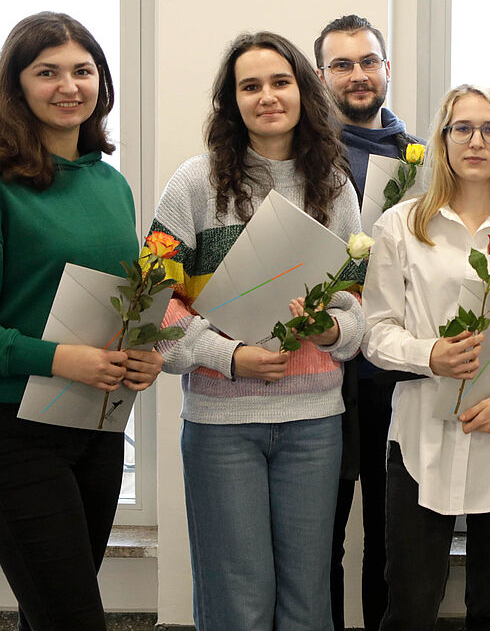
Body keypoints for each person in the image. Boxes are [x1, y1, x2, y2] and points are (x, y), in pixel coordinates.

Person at [0, 11, 163, 630]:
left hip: (94, 426)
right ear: (16, 86)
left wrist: (140, 353)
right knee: (74, 618)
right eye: (46, 72)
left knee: (50, 611)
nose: (68, 86)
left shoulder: (111, 185)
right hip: (8, 433)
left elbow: (116, 305)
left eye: (83, 70)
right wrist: (58, 358)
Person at [150, 31, 363, 630]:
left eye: (280, 81)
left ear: (304, 91)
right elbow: (150, 312)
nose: (267, 96)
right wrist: (230, 355)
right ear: (231, 101)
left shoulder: (335, 186)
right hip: (222, 429)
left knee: (306, 599)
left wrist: (328, 330)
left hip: (314, 425)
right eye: (250, 86)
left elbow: (360, 313)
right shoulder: (192, 185)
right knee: (236, 601)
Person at [361, 84, 490, 629]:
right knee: (408, 607)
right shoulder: (401, 226)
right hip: (419, 438)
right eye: (462, 128)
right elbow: (374, 331)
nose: (476, 141)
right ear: (443, 139)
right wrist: (428, 354)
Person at [314, 13, 425, 631]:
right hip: (321, 366)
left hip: (395, 370)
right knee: (320, 534)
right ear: (321, 75)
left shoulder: (425, 161)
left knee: (391, 532)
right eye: (342, 64)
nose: (358, 75)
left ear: (386, 69)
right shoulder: (303, 157)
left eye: (368, 62)